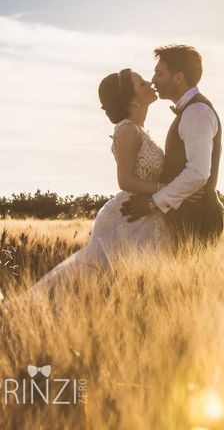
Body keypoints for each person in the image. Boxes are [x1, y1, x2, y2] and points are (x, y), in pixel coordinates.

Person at [12, 68, 171, 305]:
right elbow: (125, 180)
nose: (149, 83)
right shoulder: (127, 130)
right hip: (130, 218)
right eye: (141, 83)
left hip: (146, 214)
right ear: (132, 99)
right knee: (104, 282)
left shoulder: (139, 131)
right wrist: (167, 188)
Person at [120, 45, 224, 247]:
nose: (153, 80)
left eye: (159, 74)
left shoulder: (197, 112)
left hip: (197, 221)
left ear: (178, 77)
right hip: (185, 220)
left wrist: (152, 203)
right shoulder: (191, 110)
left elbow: (198, 173)